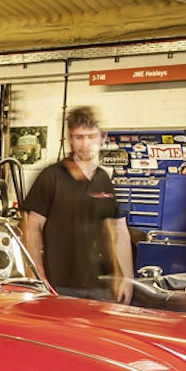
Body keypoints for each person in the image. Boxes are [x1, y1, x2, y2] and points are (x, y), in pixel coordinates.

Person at [19, 106, 133, 303]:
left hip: (100, 286)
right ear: (70, 139)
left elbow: (117, 231)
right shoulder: (51, 177)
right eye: (79, 137)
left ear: (102, 137)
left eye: (91, 137)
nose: (85, 144)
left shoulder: (103, 180)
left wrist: (126, 277)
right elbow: (31, 227)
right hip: (59, 285)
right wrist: (36, 275)